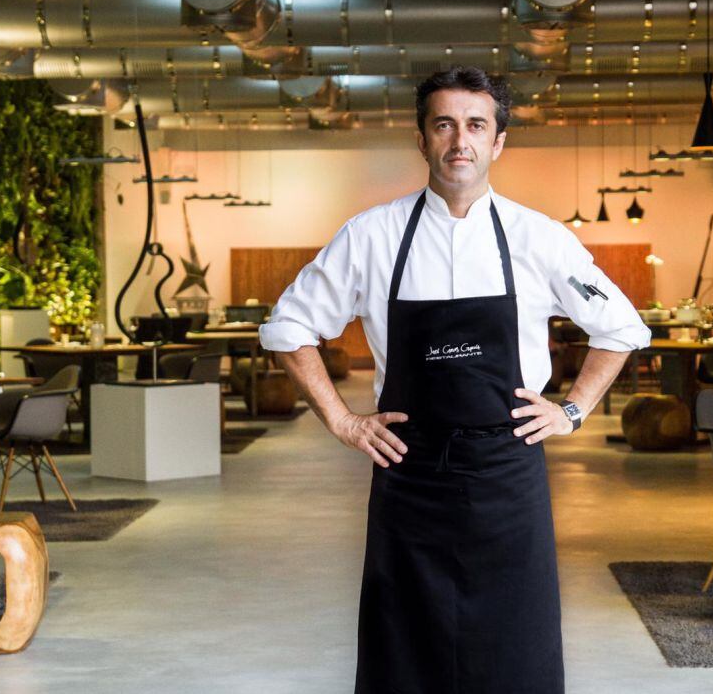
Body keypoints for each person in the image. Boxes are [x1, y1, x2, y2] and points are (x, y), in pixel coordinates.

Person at [260, 65, 650, 694]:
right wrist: (342, 419)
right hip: (409, 471)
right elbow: (287, 329)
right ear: (422, 139)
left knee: (515, 646)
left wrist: (572, 411)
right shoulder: (372, 235)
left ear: (498, 142)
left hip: (507, 466)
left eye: (476, 125)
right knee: (403, 646)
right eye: (444, 125)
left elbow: (622, 328)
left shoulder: (538, 238)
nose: (459, 141)